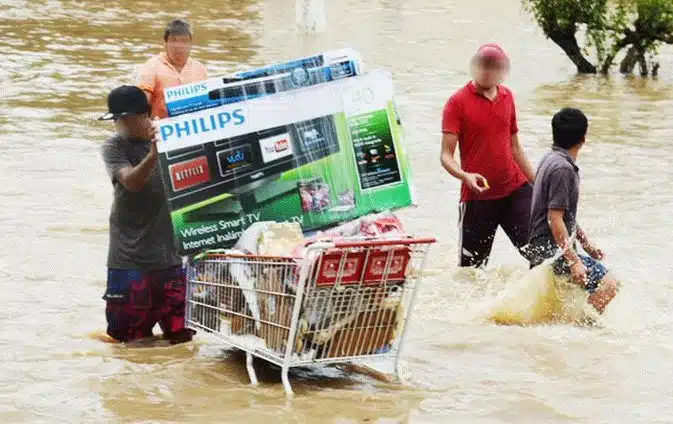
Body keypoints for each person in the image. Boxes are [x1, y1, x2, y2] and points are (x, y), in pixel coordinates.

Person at [98, 85, 195, 344]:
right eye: (116, 119)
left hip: (172, 262)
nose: (120, 124)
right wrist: (155, 153)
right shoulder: (114, 147)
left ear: (146, 114)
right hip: (129, 264)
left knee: (182, 340)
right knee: (129, 344)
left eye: (125, 118)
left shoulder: (176, 139)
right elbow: (131, 181)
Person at [440, 43, 536, 268]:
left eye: (494, 67)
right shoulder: (457, 103)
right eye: (483, 65)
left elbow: (515, 147)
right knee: (472, 271)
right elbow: (446, 155)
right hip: (478, 199)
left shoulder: (507, 96)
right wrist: (465, 176)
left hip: (515, 191)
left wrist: (538, 182)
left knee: (541, 254)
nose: (487, 71)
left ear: (503, 72)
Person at [527, 108, 618, 313]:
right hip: (552, 250)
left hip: (542, 247)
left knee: (561, 303)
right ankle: (583, 330)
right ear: (583, 138)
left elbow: (564, 215)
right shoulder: (563, 170)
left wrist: (586, 246)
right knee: (610, 285)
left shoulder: (550, 159)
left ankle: (569, 330)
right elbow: (554, 219)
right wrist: (574, 260)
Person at [137, 18, 208, 119]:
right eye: (173, 41)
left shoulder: (200, 69)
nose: (178, 46)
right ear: (165, 43)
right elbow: (141, 106)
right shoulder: (151, 67)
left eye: (184, 41)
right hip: (159, 127)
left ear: (190, 44)